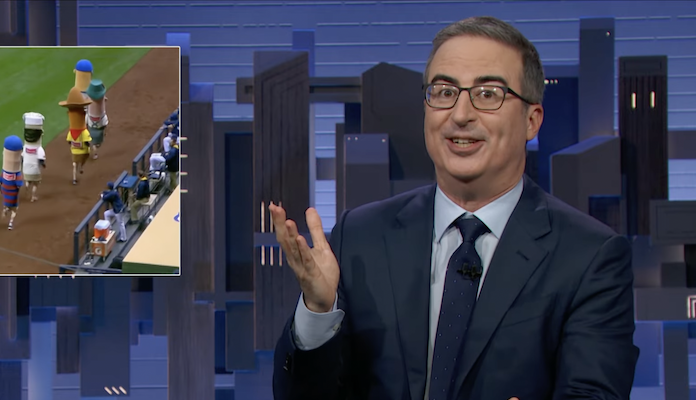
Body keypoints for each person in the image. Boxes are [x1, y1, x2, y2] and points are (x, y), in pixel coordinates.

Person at [269, 16, 638, 400]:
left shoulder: (589, 257)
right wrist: (318, 311)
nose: (461, 115)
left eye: (488, 94)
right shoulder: (361, 237)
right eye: (444, 92)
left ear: (532, 120)